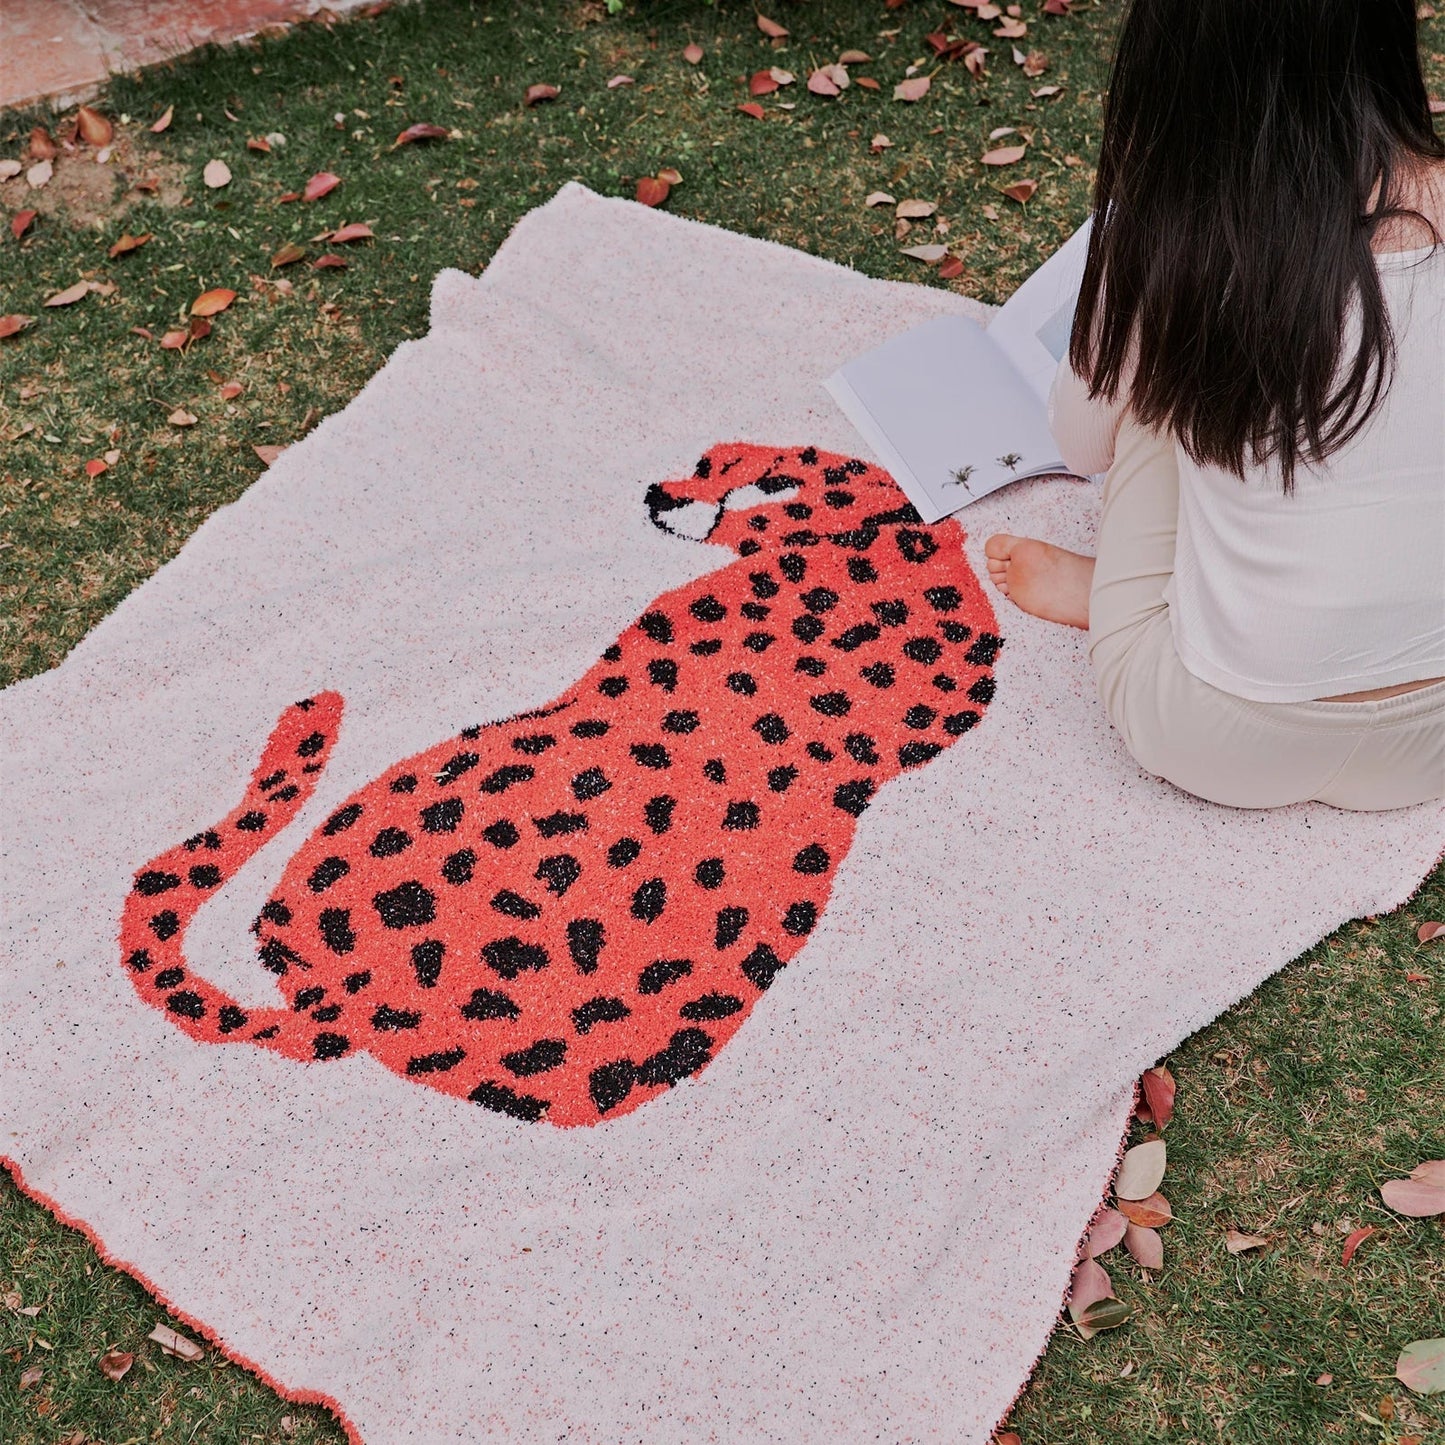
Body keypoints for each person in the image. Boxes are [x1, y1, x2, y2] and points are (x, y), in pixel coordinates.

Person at [982, 0, 1445, 810]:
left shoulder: (1172, 237)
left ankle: (1130, 593)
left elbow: (1082, 442)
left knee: (1160, 400)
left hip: (1211, 732)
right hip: (1435, 744)